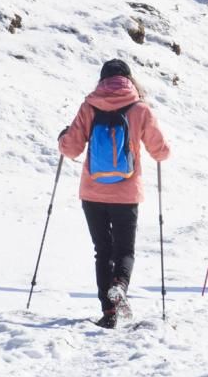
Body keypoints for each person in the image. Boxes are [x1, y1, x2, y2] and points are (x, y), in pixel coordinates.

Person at [59, 59, 170, 328]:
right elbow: (161, 151)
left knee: (102, 251)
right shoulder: (140, 108)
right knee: (124, 250)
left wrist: (63, 137)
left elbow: (71, 149)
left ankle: (109, 314)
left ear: (102, 80)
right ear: (129, 79)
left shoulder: (89, 106)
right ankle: (120, 284)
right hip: (126, 193)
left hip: (93, 193)